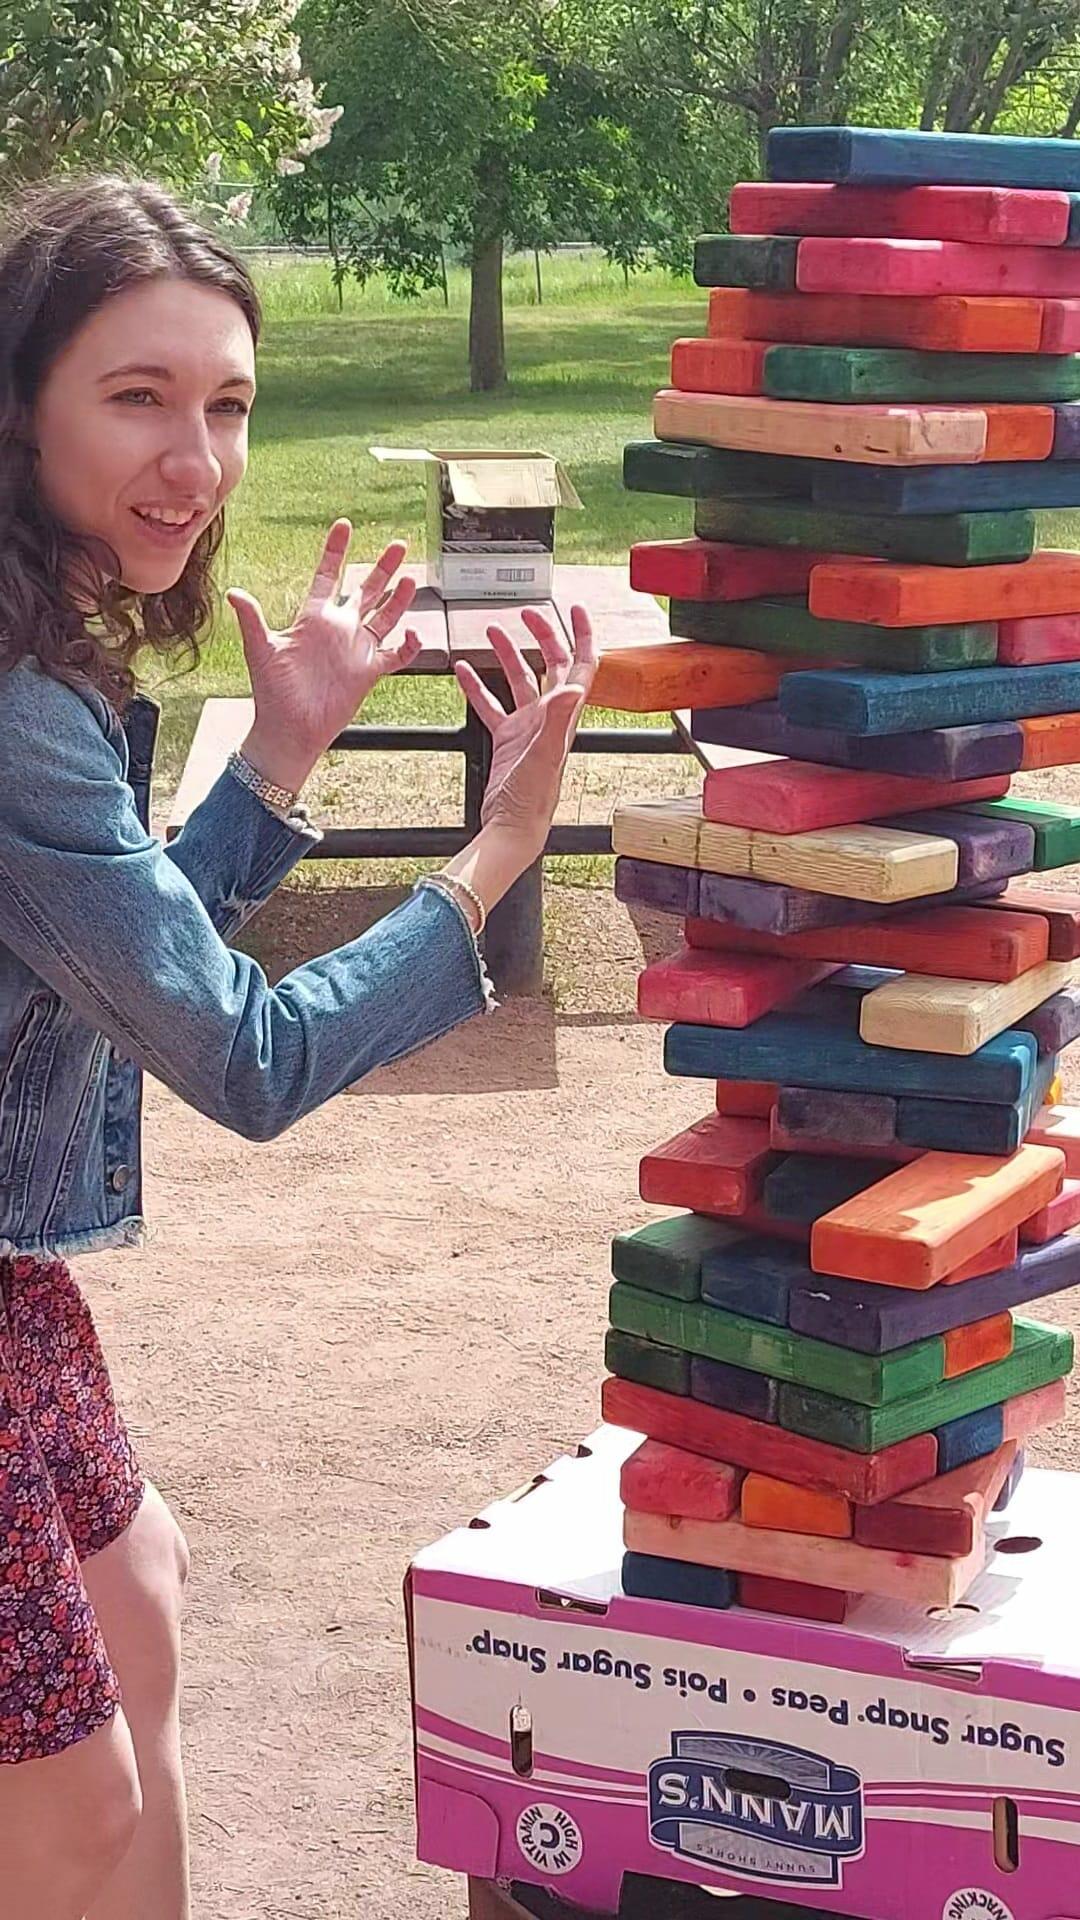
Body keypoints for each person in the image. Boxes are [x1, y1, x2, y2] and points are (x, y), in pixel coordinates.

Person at [0, 170, 596, 1919]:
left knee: (141, 1599)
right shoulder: (19, 709)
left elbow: (109, 960)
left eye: (229, 404)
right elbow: (245, 1057)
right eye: (138, 397)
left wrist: (274, 762)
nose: (196, 460)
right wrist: (491, 860)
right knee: (67, 1808)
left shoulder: (48, 659)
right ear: (20, 404)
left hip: (13, 1286)